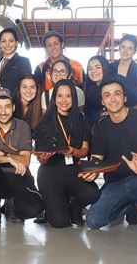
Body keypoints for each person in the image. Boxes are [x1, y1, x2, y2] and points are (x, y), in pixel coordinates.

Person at [83, 79, 137, 232]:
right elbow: (97, 160)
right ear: (102, 101)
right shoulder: (100, 128)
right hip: (116, 183)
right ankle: (127, 207)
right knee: (93, 222)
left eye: (117, 94)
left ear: (125, 97)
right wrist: (92, 172)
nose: (113, 99)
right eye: (107, 95)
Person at [34, 80, 100, 228]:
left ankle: (74, 208)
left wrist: (72, 151)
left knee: (92, 193)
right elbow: (40, 157)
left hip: (73, 170)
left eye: (68, 96)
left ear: (74, 98)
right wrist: (43, 158)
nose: (64, 100)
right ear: (54, 98)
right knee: (59, 223)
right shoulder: (44, 122)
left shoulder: (82, 120)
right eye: (60, 96)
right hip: (50, 173)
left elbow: (84, 151)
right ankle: (48, 210)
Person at [0, 88, 44, 228]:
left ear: (13, 108)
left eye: (7, 107)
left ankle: (11, 203)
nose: (3, 112)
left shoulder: (23, 126)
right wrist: (10, 159)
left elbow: (25, 161)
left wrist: (3, 154)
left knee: (34, 209)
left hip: (17, 177)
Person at [85, 55, 137, 127]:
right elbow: (91, 113)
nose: (93, 71)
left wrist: (120, 113)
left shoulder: (118, 81)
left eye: (98, 67)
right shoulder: (90, 88)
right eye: (90, 68)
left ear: (105, 67)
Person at [0, 28, 32, 98]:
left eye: (11, 41)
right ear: (0, 44)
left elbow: (26, 86)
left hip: (14, 104)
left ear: (16, 43)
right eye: (3, 41)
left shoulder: (23, 62)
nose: (7, 44)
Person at [111, 33, 137, 98]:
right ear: (119, 48)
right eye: (123, 47)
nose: (125, 51)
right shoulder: (110, 67)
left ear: (135, 51)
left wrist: (128, 109)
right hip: (113, 106)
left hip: (134, 107)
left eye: (130, 48)